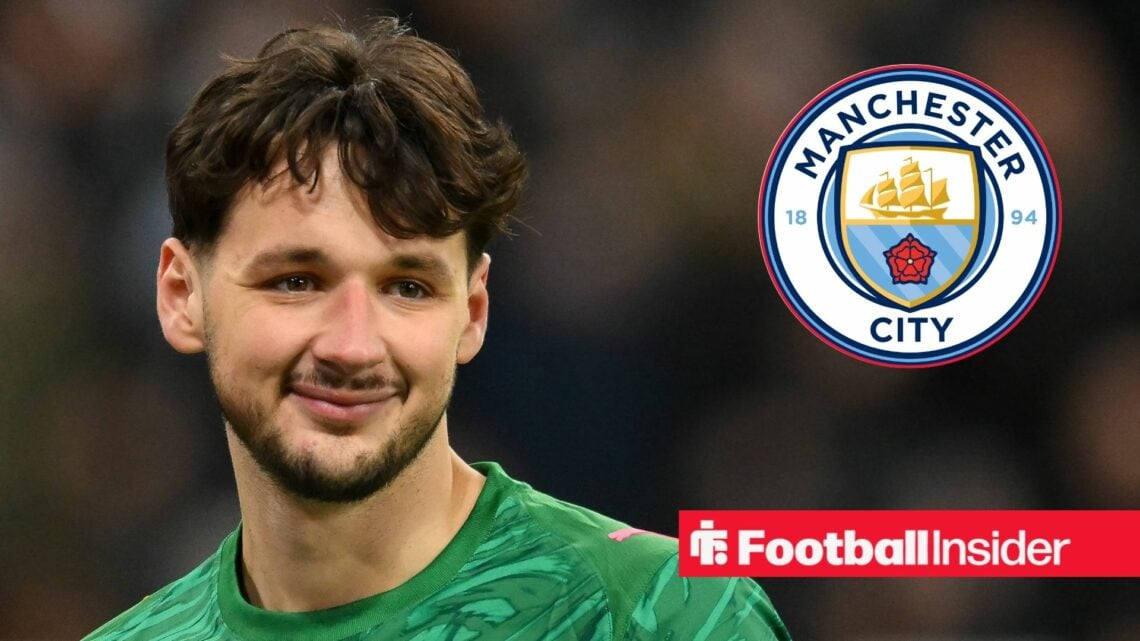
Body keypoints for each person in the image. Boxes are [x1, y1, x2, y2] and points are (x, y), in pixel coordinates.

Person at [83, 18, 790, 641]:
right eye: (296, 281)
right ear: (182, 294)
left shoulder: (660, 614)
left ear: (472, 313)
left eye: (408, 287)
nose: (352, 345)